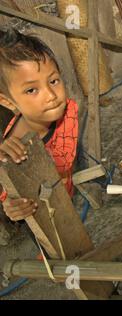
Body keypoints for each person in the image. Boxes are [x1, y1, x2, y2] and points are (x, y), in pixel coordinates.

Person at [0, 28, 79, 222]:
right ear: (8, 102)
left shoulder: (68, 110)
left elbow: (64, 162)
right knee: (50, 245)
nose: (51, 96)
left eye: (53, 81)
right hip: (38, 212)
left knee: (69, 222)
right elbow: (9, 190)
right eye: (32, 90)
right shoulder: (13, 147)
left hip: (63, 194)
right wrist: (10, 204)